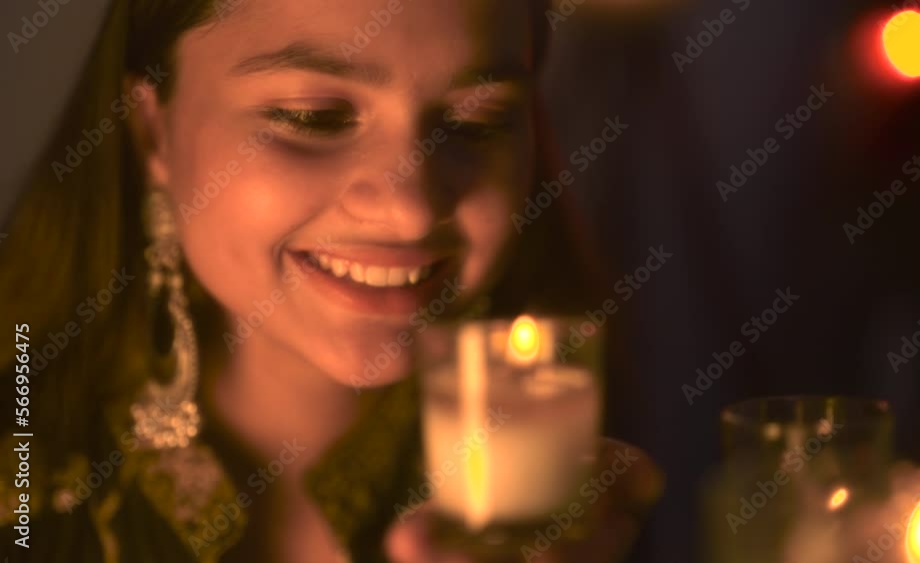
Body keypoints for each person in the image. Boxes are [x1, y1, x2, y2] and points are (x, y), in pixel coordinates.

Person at [0, 1, 663, 561]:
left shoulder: (567, 469)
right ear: (152, 130)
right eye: (314, 116)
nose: (410, 208)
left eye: (476, 122)